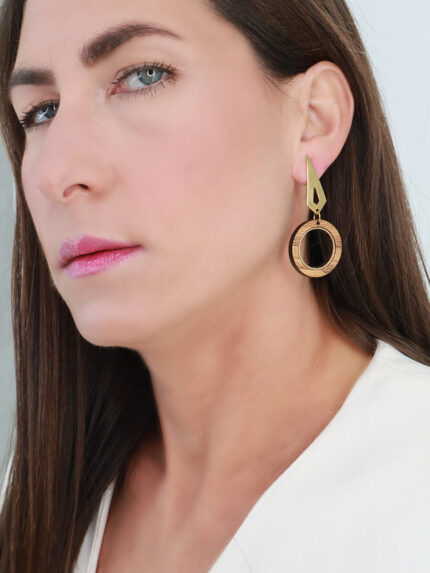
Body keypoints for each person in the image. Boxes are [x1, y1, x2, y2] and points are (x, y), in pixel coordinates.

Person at [0, 0, 429, 571]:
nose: (59, 173)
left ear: (313, 119)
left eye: (143, 75)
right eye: (41, 111)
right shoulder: (37, 496)